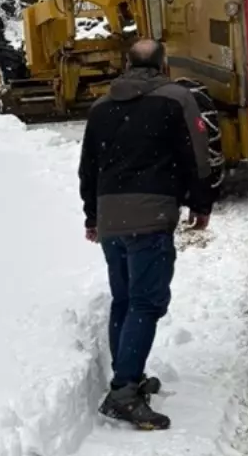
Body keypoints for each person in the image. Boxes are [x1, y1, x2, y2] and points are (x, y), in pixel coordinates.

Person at [79, 39, 215, 429]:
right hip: (150, 216)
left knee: (124, 300)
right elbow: (197, 155)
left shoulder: (101, 107)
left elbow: (88, 166)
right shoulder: (177, 99)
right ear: (163, 64)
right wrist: (201, 203)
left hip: (111, 217)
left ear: (127, 64)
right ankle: (123, 392)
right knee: (145, 302)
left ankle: (129, 376)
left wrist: (92, 215)